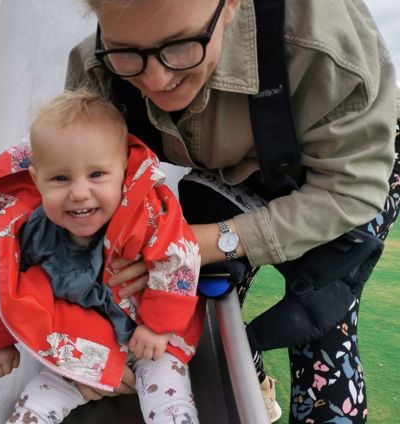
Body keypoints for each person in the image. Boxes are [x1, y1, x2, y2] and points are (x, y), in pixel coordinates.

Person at [65, 0, 399, 423]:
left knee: (320, 322)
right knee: (199, 296)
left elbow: (350, 190)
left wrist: (206, 241)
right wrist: (83, 345)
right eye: (127, 52)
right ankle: (256, 385)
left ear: (231, 7)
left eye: (180, 45)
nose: (156, 79)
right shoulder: (95, 71)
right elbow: (77, 213)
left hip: (344, 177)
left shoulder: (325, 43)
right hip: (232, 171)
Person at [0, 90, 205, 423]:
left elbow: (180, 260)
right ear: (36, 179)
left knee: (170, 403)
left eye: (97, 174)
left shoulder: (146, 214)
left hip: (152, 339)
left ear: (124, 170)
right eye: (60, 178)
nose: (79, 192)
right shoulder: (34, 232)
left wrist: (158, 327)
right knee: (35, 403)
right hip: (83, 346)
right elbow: (5, 287)